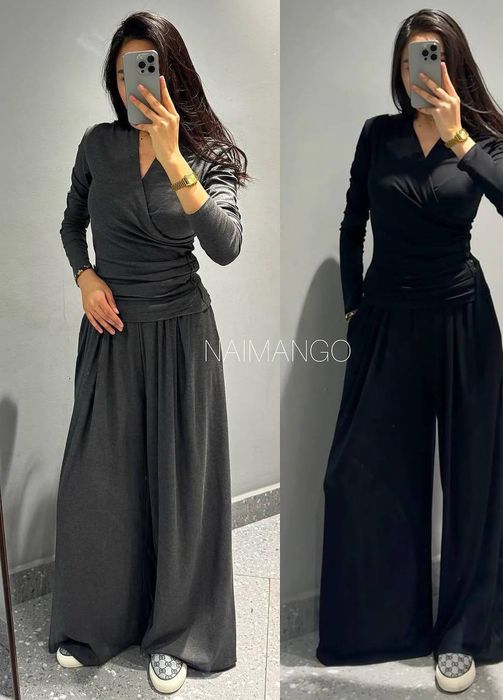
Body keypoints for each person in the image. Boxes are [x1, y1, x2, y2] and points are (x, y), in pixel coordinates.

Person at [315, 9, 503, 695]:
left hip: (463, 322)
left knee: (471, 479)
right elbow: (352, 222)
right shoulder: (377, 135)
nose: (421, 70)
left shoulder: (484, 139)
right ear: (400, 67)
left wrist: (460, 138)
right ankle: (383, 627)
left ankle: (464, 634)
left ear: (453, 64)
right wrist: (352, 307)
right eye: (411, 57)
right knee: (360, 475)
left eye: (433, 56)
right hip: (385, 321)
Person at [47, 11, 248, 695]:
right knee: (100, 484)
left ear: (171, 73)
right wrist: (84, 276)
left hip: (182, 336)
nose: (132, 83)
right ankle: (100, 623)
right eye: (122, 70)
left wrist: (172, 155)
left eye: (145, 68)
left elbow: (226, 245)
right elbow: (71, 222)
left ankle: (177, 635)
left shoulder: (206, 152)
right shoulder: (97, 144)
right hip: (111, 334)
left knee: (179, 487)